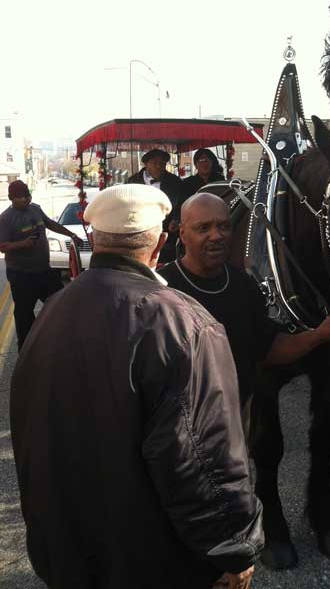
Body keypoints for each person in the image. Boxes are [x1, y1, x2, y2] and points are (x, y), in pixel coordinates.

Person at [10, 184, 263, 589]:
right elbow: (202, 457)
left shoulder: (53, 310)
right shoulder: (184, 325)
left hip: (63, 551)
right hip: (147, 560)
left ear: (95, 239)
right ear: (162, 243)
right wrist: (233, 547)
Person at [158, 193, 330, 409]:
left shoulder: (243, 285)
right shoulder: (161, 290)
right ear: (183, 234)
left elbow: (267, 349)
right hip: (177, 427)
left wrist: (318, 335)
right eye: (203, 228)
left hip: (233, 422)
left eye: (223, 226)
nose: (216, 235)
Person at [0, 180, 81, 348]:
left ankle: (63, 343)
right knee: (24, 316)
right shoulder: (6, 218)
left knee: (61, 305)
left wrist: (72, 234)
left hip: (44, 272)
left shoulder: (35, 208)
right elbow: (2, 246)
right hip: (21, 275)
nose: (26, 200)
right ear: (11, 198)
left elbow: (50, 224)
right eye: (21, 197)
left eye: (28, 196)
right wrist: (23, 244)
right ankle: (26, 353)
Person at [128, 148, 183, 259]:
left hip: (167, 235)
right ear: (146, 164)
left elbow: (182, 203)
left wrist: (176, 219)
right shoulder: (132, 182)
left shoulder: (175, 182)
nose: (158, 166)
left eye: (162, 164)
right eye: (154, 163)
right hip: (140, 232)